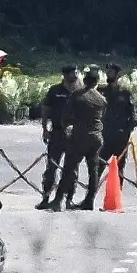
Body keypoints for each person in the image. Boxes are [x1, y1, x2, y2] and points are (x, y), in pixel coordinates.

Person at [52, 67, 107, 211]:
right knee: (93, 170)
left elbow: (66, 116)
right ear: (96, 81)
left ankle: (58, 200)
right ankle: (89, 201)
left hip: (80, 136)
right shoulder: (101, 99)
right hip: (96, 137)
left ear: (85, 79)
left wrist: (66, 129)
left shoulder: (77, 95)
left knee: (69, 168)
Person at [36, 66, 80, 209]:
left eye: (76, 73)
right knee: (51, 167)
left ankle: (68, 199)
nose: (75, 75)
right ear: (65, 75)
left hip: (75, 135)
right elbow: (46, 110)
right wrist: (44, 129)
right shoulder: (55, 91)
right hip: (57, 133)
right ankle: (46, 198)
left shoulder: (81, 91)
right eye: (72, 73)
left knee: (72, 169)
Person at [100, 65, 137, 191]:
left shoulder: (125, 93)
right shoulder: (102, 91)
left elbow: (133, 115)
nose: (108, 74)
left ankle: (116, 195)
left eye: (111, 72)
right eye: (107, 72)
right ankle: (90, 197)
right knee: (98, 165)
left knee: (119, 167)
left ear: (117, 75)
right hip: (105, 135)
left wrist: (127, 131)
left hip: (120, 136)